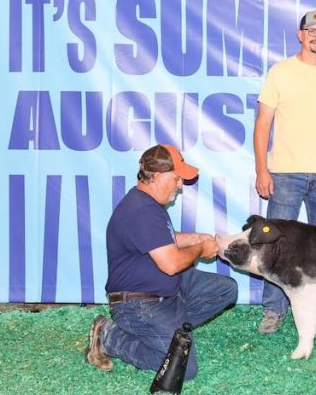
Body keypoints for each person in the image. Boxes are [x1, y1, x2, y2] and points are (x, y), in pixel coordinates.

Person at [85, 144, 238, 380]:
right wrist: (199, 249)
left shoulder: (146, 203)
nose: (180, 186)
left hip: (164, 289)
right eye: (176, 179)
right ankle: (109, 336)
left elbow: (162, 240)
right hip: (137, 304)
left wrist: (195, 238)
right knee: (184, 369)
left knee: (225, 289)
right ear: (155, 176)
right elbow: (171, 264)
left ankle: (168, 331)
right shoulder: (141, 210)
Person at [254, 10, 316, 334]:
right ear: (300, 34)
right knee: (275, 245)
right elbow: (263, 124)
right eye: (312, 30)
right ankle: (273, 309)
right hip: (285, 171)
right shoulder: (280, 72)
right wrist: (261, 170)